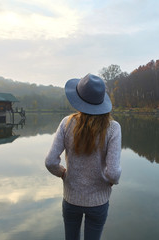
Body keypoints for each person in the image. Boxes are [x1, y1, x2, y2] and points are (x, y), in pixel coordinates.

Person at [45, 73, 122, 240]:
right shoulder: (113, 128)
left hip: (71, 198)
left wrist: (63, 173)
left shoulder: (66, 123)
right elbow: (113, 173)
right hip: (98, 201)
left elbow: (50, 162)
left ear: (78, 99)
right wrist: (111, 181)